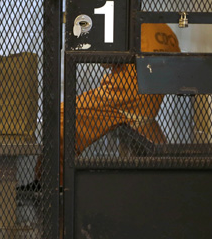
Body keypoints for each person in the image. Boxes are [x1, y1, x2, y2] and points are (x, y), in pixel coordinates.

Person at [18, 23, 181, 192]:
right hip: (151, 101)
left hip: (123, 95)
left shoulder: (122, 22)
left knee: (61, 118)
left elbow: (106, 60)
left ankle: (51, 186)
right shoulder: (163, 28)